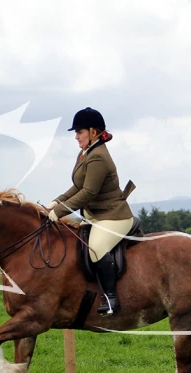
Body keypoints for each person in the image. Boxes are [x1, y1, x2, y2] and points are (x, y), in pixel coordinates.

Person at [47, 107, 135, 316]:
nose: (76, 137)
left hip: (113, 216)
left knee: (96, 248)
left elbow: (88, 193)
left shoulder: (98, 157)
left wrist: (59, 212)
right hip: (96, 216)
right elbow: (78, 187)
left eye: (80, 132)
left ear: (93, 132)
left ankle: (111, 299)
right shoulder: (85, 153)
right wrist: (56, 202)